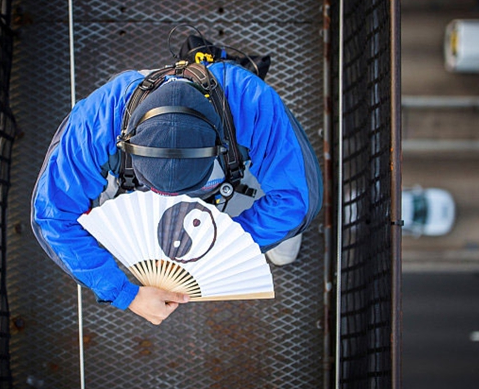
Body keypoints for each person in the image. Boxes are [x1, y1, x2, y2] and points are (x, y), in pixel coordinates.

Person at [31, 40, 322, 325]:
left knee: (285, 241)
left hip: (233, 187)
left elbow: (294, 198)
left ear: (219, 143)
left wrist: (226, 246)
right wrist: (125, 293)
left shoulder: (251, 102)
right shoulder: (96, 120)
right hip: (128, 186)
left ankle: (268, 230)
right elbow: (53, 216)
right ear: (127, 139)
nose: (170, 200)